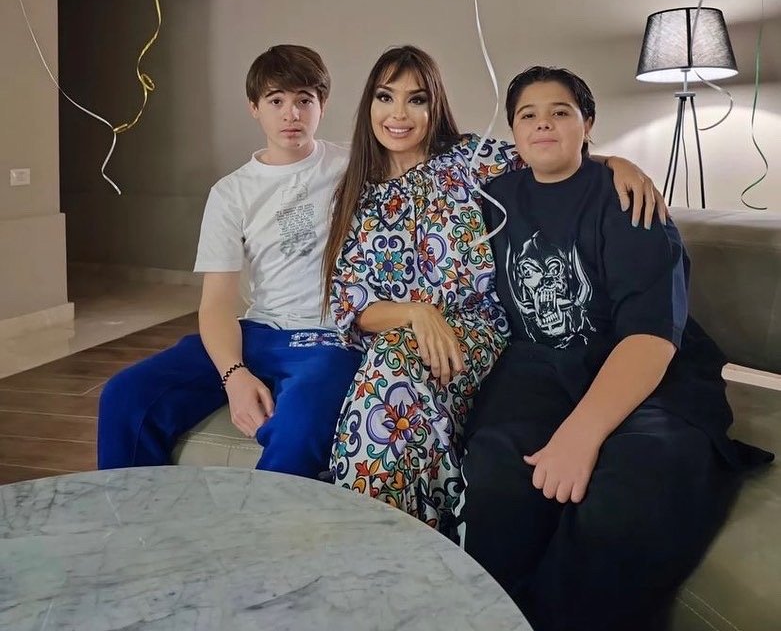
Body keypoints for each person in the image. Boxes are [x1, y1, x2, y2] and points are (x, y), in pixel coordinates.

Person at [456, 66, 774, 630]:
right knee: (497, 473)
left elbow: (651, 336)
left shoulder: (629, 200)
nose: (543, 124)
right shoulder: (493, 197)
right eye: (528, 115)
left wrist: (580, 434)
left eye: (560, 112)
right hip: (538, 368)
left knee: (627, 493)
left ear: (588, 123)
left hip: (646, 370)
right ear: (514, 132)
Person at [321, 46, 665, 531]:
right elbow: (351, 302)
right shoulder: (355, 191)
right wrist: (417, 313)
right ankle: (377, 523)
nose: (398, 114)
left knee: (397, 366)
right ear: (369, 105)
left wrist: (618, 163)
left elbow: (550, 153)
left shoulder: (471, 159)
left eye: (416, 99)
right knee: (393, 361)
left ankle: (394, 524)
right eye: (385, 97)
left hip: (478, 329)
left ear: (435, 105)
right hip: (401, 334)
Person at [97, 45, 361, 478]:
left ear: (322, 105)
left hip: (327, 339)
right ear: (254, 107)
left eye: (304, 100)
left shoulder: (354, 164)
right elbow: (217, 303)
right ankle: (136, 516)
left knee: (298, 427)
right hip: (257, 331)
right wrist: (234, 374)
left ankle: (260, 521)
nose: (291, 114)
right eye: (276, 101)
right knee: (125, 395)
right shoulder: (230, 193)